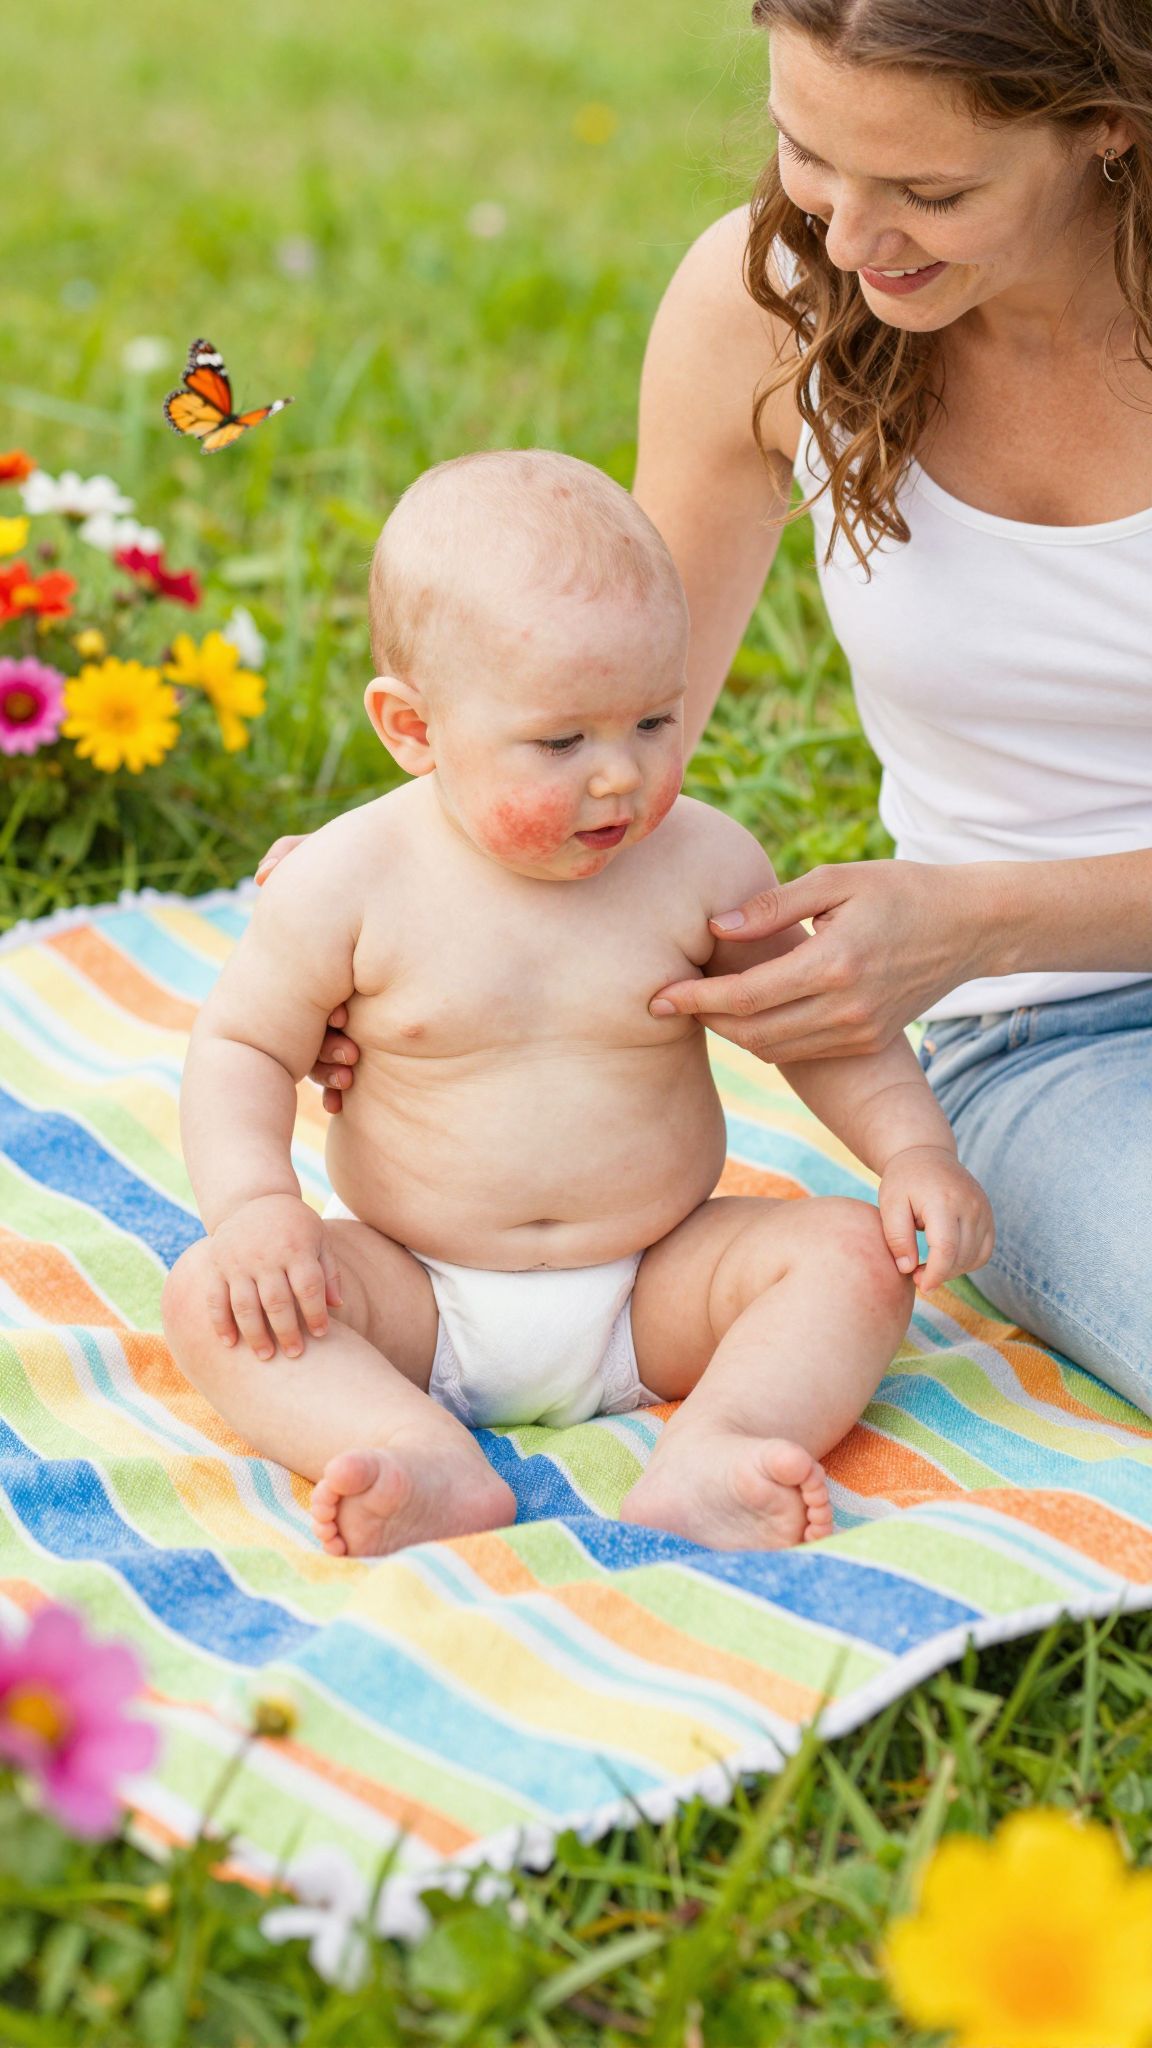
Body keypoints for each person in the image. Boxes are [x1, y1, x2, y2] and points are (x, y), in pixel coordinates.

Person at [270, 0, 1152, 1409]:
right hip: (1064, 1042)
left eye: (934, 191)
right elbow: (595, 693)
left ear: (1110, 122)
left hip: (992, 950)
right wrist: (383, 888)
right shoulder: (774, 302)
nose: (853, 241)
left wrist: (978, 916)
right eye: (810, 154)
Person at [162, 451, 992, 1560]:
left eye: (655, 721)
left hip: (659, 1280)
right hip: (414, 1286)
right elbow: (243, 1044)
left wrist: (914, 1150)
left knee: (849, 1257)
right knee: (215, 1298)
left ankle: (721, 1441)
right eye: (562, 741)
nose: (620, 776)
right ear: (413, 729)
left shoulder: (699, 863)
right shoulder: (351, 880)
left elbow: (822, 1027)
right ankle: (407, 1445)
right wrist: (256, 1204)